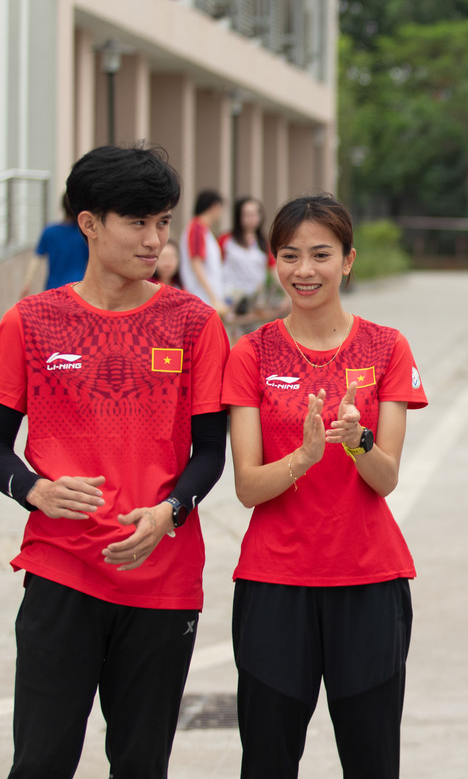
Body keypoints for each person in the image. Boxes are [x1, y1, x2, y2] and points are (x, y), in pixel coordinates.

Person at [0, 144, 230, 777]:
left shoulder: (194, 323)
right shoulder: (31, 322)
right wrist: (33, 491)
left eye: (163, 222)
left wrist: (170, 512)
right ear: (90, 223)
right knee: (41, 762)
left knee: (140, 763)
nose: (155, 239)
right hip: (61, 572)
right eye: (138, 222)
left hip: (163, 577)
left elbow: (211, 450)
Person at [222, 194, 428, 778]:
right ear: (274, 262)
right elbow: (246, 486)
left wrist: (356, 440)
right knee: (267, 758)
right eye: (290, 256)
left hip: (367, 580)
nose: (304, 270)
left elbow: (385, 478)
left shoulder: (387, 346)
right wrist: (306, 457)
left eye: (320, 254)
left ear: (348, 260)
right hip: (274, 581)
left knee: (371, 760)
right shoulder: (251, 353)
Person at [220, 196, 285, 336]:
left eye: (254, 214)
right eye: (247, 214)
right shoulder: (226, 240)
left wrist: (287, 293)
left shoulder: (264, 243)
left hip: (255, 303)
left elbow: (274, 270)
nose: (251, 218)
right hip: (231, 301)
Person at [17, 193, 88, 297]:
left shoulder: (50, 231)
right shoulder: (85, 234)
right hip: (78, 289)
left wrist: (27, 283)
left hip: (53, 288)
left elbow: (36, 259)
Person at [181, 188, 229, 317]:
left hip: (207, 297)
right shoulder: (197, 228)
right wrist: (213, 298)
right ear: (215, 207)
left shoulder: (203, 229)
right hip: (202, 297)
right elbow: (196, 263)